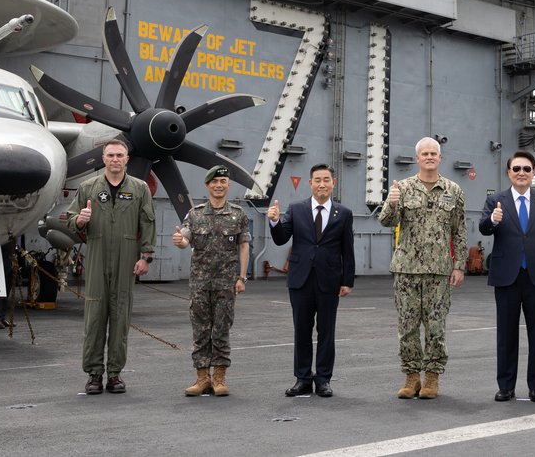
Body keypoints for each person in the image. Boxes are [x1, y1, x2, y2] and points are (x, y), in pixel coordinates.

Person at [376, 136, 467, 400]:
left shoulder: (453, 190)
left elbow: (459, 231)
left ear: (440, 158)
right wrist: (392, 203)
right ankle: (411, 376)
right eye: (424, 153)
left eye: (433, 153)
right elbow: (386, 221)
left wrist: (459, 266)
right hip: (407, 270)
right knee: (407, 326)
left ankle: (432, 378)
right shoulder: (402, 189)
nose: (429, 157)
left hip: (439, 271)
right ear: (417, 159)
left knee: (436, 326)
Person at [65, 136, 155, 394]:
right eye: (111, 155)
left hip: (127, 257)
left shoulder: (139, 189)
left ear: (127, 159)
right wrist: (80, 221)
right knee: (94, 317)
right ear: (103, 159)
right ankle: (94, 374)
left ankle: (114, 374)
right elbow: (71, 219)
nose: (115, 159)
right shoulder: (88, 188)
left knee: (120, 317)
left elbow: (148, 223)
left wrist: (145, 256)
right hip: (97, 255)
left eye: (120, 155)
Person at [478, 150, 535, 403]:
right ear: (509, 173)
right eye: (517, 169)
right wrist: (493, 219)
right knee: (506, 334)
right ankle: (506, 386)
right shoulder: (496, 200)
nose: (521, 173)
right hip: (506, 276)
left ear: (533, 173)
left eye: (526, 169)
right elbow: (483, 227)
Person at [267, 163, 355, 398]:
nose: (322, 184)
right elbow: (281, 238)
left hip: (329, 280)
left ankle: (323, 379)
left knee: (327, 332)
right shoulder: (296, 209)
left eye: (326, 179)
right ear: (310, 183)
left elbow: (348, 249)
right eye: (317, 180)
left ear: (333, 183)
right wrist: (274, 222)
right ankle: (303, 379)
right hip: (301, 280)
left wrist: (348, 280)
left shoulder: (344, 213)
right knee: (302, 331)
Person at [172, 164, 250, 396]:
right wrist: (180, 241)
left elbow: (244, 246)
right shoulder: (195, 214)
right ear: (207, 185)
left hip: (226, 284)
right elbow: (185, 237)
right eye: (214, 182)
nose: (218, 185)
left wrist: (242, 277)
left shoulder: (238, 214)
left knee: (222, 330)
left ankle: (219, 378)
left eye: (223, 182)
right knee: (200, 330)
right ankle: (202, 378)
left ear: (228, 185)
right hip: (199, 285)